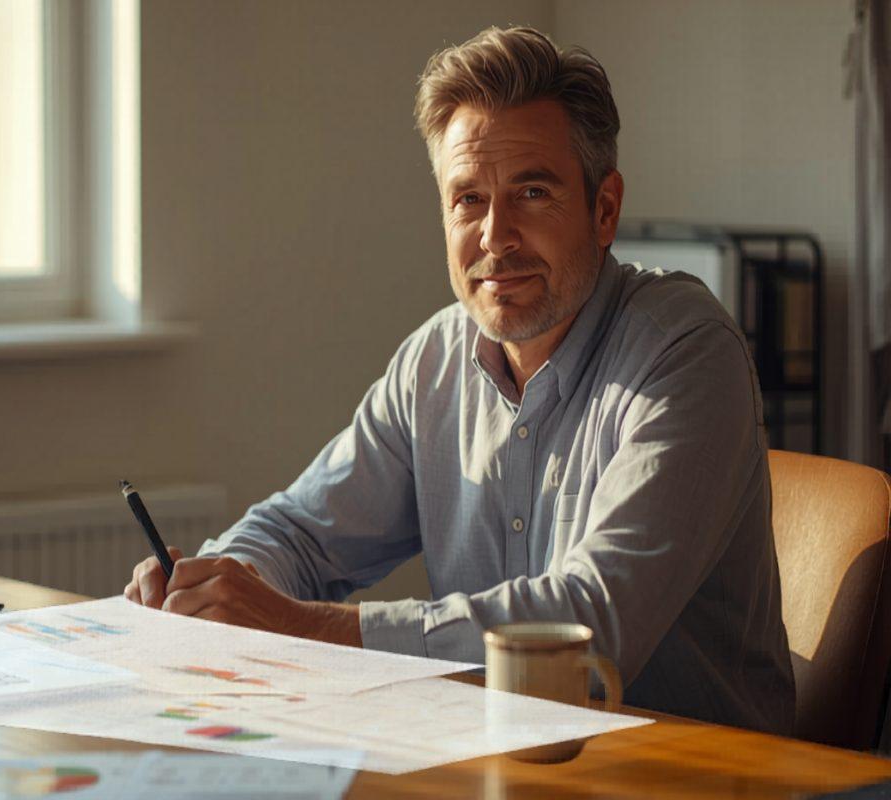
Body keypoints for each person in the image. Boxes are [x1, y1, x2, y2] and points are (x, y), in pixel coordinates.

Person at [124, 25, 795, 734]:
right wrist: (214, 588)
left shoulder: (686, 351)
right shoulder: (435, 361)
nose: (495, 237)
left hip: (695, 769)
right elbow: (304, 533)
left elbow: (592, 624)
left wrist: (303, 627)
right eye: (468, 199)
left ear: (604, 210)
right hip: (494, 756)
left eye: (532, 192)